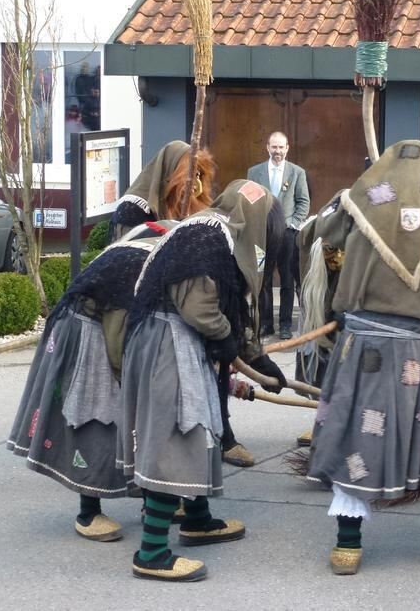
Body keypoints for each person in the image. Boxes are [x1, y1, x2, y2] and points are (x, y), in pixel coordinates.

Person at [304, 140, 420, 576]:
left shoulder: (357, 204)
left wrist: (354, 193)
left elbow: (315, 234)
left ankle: (348, 547)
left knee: (356, 438)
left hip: (365, 346)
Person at [119, 180, 287, 582]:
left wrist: (257, 358)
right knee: (178, 437)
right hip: (168, 342)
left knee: (204, 429)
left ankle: (197, 518)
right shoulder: (208, 237)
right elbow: (198, 307)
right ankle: (152, 552)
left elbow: (223, 306)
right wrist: (228, 342)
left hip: (173, 339)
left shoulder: (213, 231)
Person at [7, 220, 175, 543]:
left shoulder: (157, 246)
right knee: (93, 418)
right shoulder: (148, 265)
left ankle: (147, 500)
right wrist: (131, 382)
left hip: (98, 324)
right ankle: (88, 511)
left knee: (127, 423)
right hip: (86, 331)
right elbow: (117, 338)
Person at [247, 131, 310, 340]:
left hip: (287, 235)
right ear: (267, 148)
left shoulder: (297, 173)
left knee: (287, 280)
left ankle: (284, 325)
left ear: (287, 148)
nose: (278, 152)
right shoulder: (254, 173)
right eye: (274, 147)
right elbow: (249, 201)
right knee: (262, 280)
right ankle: (266, 324)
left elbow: (303, 202)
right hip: (261, 235)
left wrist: (293, 224)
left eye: (281, 147)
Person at [109, 141, 215, 241]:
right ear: (170, 174)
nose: (196, 184)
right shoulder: (132, 210)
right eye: (188, 175)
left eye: (198, 175)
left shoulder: (184, 203)